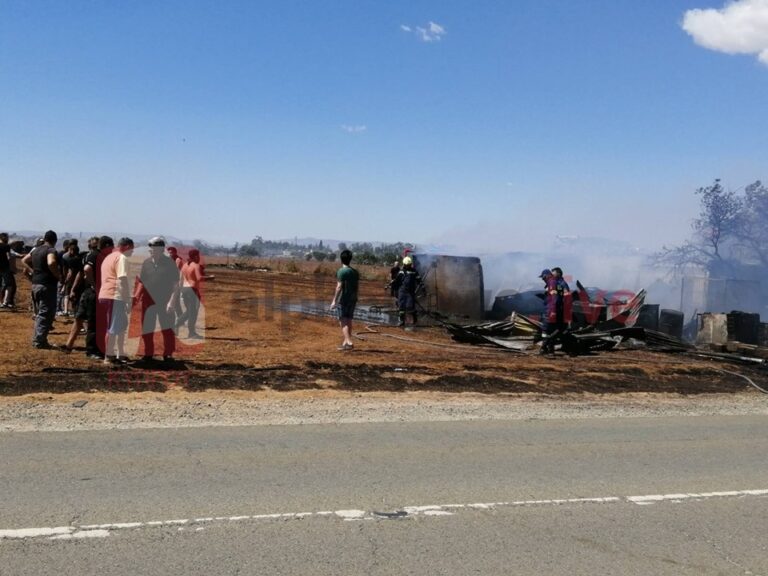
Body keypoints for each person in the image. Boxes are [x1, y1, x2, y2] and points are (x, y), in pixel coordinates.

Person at [133, 236, 179, 362]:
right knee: (147, 327)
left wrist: (172, 302)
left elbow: (176, 284)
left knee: (167, 327)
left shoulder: (169, 263)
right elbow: (142, 281)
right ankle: (148, 354)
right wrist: (137, 295)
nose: (150, 250)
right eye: (150, 248)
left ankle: (168, 353)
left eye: (153, 248)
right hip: (148, 301)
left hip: (164, 300)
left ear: (160, 249)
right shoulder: (147, 263)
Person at [21, 230, 61, 349]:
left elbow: (23, 260)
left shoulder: (36, 250)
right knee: (46, 313)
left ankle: (38, 338)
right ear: (55, 241)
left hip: (35, 284)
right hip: (46, 285)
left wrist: (32, 271)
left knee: (40, 313)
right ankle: (39, 341)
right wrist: (58, 275)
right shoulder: (51, 250)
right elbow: (51, 262)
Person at [98, 237, 134, 365]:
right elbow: (122, 279)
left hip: (105, 294)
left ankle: (120, 354)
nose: (132, 252)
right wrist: (128, 298)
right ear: (127, 246)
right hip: (115, 295)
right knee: (113, 328)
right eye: (132, 249)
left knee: (120, 326)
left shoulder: (109, 257)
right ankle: (109, 356)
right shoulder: (122, 258)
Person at [63, 236, 101, 358]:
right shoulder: (95, 257)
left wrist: (73, 289)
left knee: (79, 319)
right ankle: (90, 349)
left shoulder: (85, 256)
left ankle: (69, 345)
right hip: (90, 291)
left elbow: (80, 273)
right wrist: (94, 285)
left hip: (84, 291)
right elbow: (83, 271)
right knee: (89, 321)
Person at [330, 249, 359, 351]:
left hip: (344, 299)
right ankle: (345, 343)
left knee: (343, 321)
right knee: (349, 320)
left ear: (341, 259)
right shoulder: (355, 272)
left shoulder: (341, 271)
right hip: (353, 299)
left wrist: (334, 300)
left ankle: (349, 341)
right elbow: (356, 287)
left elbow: (339, 287)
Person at [539, 267, 572, 354]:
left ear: (558, 273)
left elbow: (557, 298)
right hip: (553, 309)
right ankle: (549, 348)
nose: (551, 275)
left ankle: (545, 348)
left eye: (553, 273)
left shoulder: (559, 283)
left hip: (553, 310)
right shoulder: (555, 283)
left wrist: (555, 310)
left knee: (549, 329)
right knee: (552, 329)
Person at [177, 248, 209, 339]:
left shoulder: (184, 265)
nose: (199, 258)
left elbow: (181, 279)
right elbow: (199, 278)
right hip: (192, 290)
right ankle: (191, 332)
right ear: (195, 256)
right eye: (198, 256)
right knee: (193, 312)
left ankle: (176, 324)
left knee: (190, 311)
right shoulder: (196, 265)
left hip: (184, 289)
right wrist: (210, 277)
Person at [391, 256, 423, 328]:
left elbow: (419, 280)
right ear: (404, 264)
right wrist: (393, 288)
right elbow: (397, 281)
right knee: (401, 306)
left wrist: (423, 287)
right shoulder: (401, 271)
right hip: (402, 291)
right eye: (407, 265)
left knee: (410, 306)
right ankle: (402, 321)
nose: (408, 266)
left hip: (410, 292)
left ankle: (415, 319)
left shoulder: (414, 271)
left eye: (409, 265)